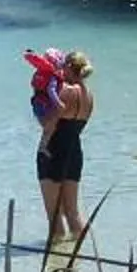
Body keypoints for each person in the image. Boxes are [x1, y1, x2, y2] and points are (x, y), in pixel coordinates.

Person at [36, 49, 92, 246]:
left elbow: (48, 124)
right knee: (73, 212)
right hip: (74, 152)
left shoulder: (64, 91)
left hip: (53, 151)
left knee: (54, 214)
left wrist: (37, 106)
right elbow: (80, 127)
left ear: (68, 66)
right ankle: (80, 253)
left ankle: (55, 258)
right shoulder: (89, 95)